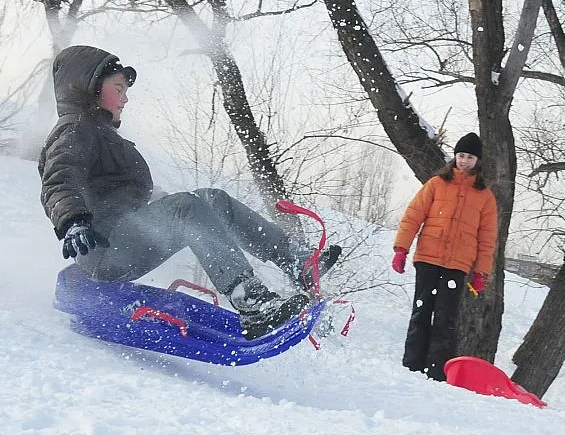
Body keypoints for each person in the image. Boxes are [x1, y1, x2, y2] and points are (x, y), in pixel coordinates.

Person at [38, 45, 340, 340]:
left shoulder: (100, 134)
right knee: (186, 207)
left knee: (210, 199)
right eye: (118, 87)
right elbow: (59, 178)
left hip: (125, 236)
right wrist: (73, 220)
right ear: (89, 88)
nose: (125, 98)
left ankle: (296, 262)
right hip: (105, 249)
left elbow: (119, 196)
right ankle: (253, 302)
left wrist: (168, 206)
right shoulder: (75, 129)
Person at [391, 133, 498, 381]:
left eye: (470, 157)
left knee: (445, 318)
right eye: (461, 155)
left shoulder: (485, 196)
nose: (464, 161)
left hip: (457, 264)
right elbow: (413, 216)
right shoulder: (437, 184)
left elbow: (487, 237)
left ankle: (436, 371)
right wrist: (401, 249)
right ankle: (411, 366)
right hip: (428, 257)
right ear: (455, 157)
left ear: (477, 161)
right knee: (421, 310)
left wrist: (481, 272)